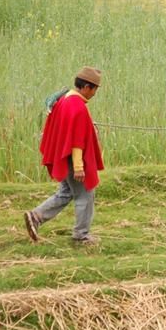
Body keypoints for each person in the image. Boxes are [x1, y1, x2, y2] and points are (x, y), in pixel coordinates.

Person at [24, 66, 104, 244]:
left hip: (62, 156)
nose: (94, 94)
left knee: (66, 191)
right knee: (85, 195)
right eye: (95, 89)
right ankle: (81, 236)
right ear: (87, 87)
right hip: (72, 159)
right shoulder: (78, 107)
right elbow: (76, 141)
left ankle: (36, 216)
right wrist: (78, 167)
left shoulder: (64, 99)